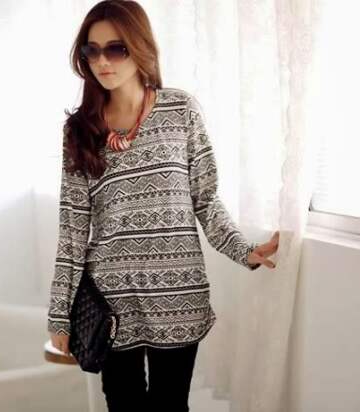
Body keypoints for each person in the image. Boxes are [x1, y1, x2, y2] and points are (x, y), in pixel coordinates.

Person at [47, 1, 279, 411]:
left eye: (115, 48)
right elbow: (72, 232)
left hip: (178, 292)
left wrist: (243, 250)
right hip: (112, 299)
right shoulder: (79, 130)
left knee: (170, 405)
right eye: (92, 50)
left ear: (139, 46)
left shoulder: (180, 110)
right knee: (124, 404)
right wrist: (59, 315)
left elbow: (205, 198)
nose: (102, 61)